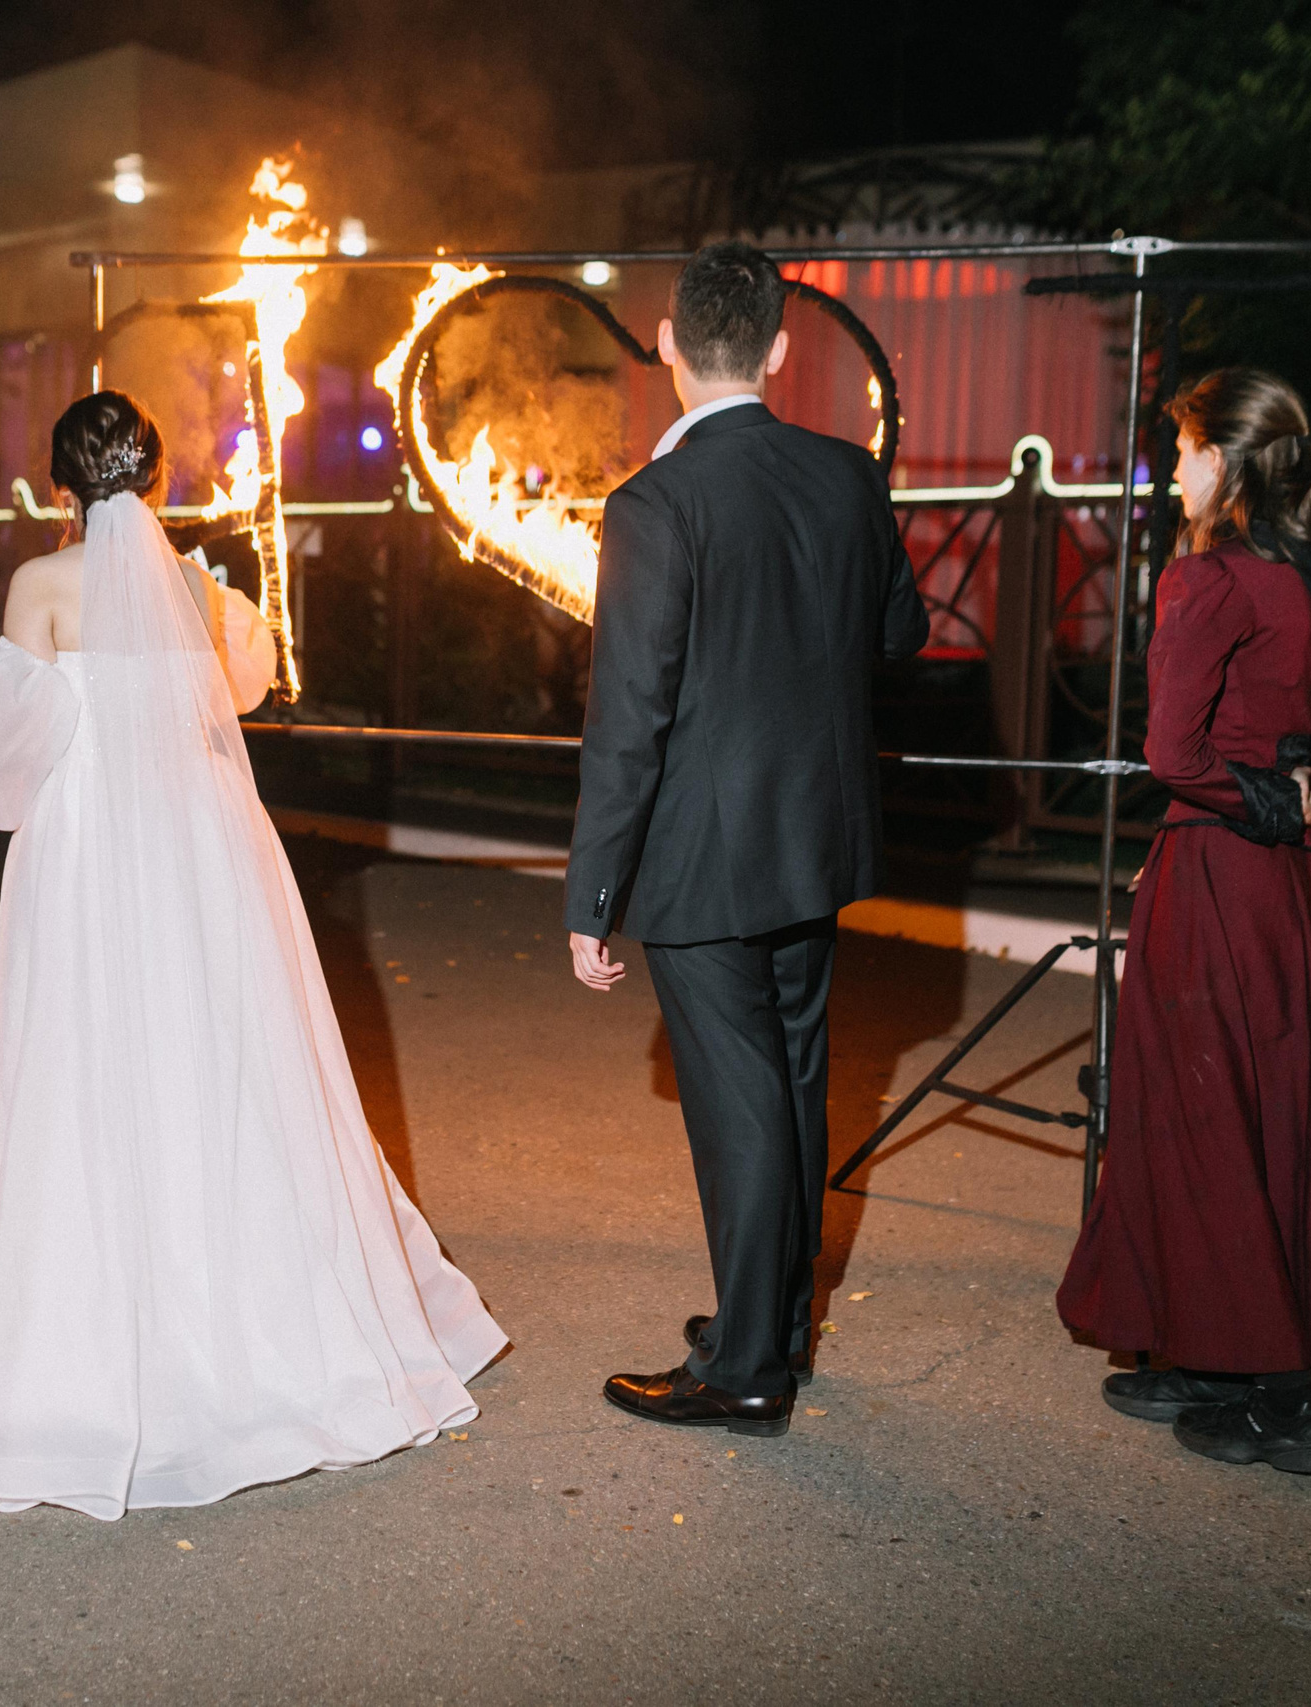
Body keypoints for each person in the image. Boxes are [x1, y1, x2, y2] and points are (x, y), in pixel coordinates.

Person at [0, 390, 505, 1519]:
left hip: (87, 856)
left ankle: (103, 1351)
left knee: (92, 1074)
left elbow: (13, 741)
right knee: (221, 1066)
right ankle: (273, 1329)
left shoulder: (42, 587)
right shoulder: (192, 585)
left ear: (57, 486)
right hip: (200, 848)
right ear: (159, 479)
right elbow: (236, 693)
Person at [567, 241, 929, 1437]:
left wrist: (592, 891)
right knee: (796, 1080)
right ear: (779, 349)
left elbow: (630, 716)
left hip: (703, 855)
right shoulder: (846, 475)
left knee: (741, 1108)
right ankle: (770, 1326)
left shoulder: (654, 503)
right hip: (814, 838)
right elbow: (899, 632)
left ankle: (749, 1373)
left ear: (667, 343)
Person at [1056, 367, 1311, 1476]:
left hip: (1222, 874)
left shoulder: (1210, 579)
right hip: (1293, 883)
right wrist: (1296, 800)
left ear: (1224, 462)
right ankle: (1207, 1349)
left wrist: (1269, 803)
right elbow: (1304, 736)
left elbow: (1173, 755)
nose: (1168, 469)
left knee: (1202, 1116)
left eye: (1181, 450)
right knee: (1261, 1107)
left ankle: (1282, 1398)